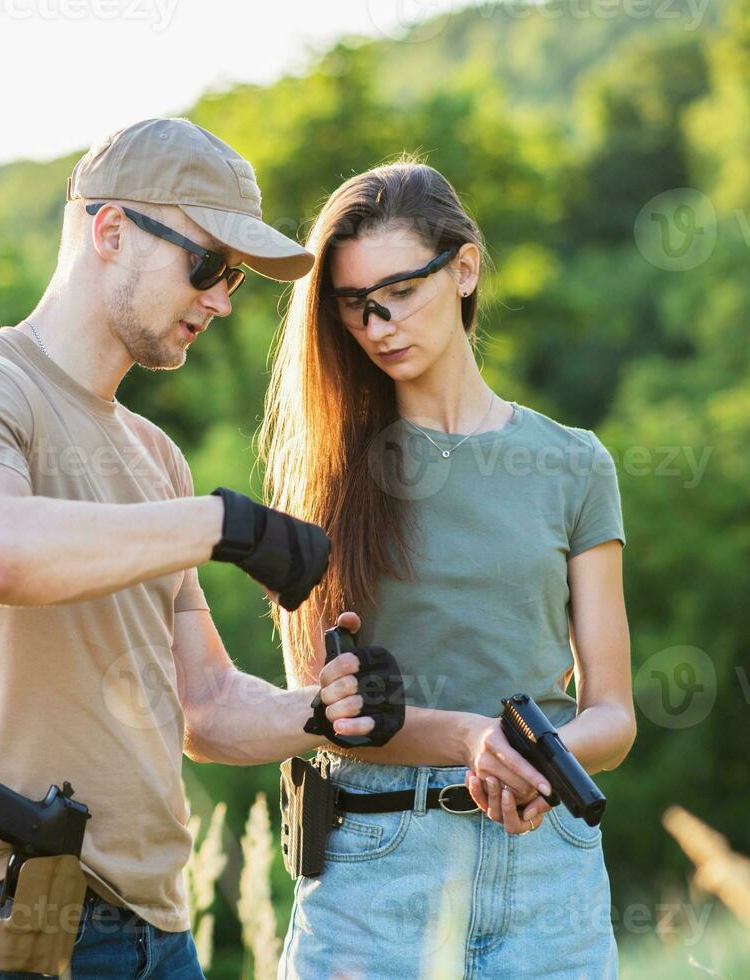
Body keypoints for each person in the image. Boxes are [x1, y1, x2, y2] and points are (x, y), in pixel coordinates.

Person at [0, 118, 404, 980]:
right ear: (110, 230)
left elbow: (204, 705)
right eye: (207, 265)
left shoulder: (156, 457)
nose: (223, 299)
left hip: (157, 933)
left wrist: (320, 712)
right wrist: (223, 524)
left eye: (233, 277)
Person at [261, 160, 635, 978]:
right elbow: (315, 712)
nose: (380, 322)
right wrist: (474, 742)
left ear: (463, 268)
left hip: (549, 866)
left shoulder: (574, 464)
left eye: (402, 290)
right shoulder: (321, 474)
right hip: (377, 865)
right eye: (356, 305)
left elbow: (612, 713)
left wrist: (536, 761)